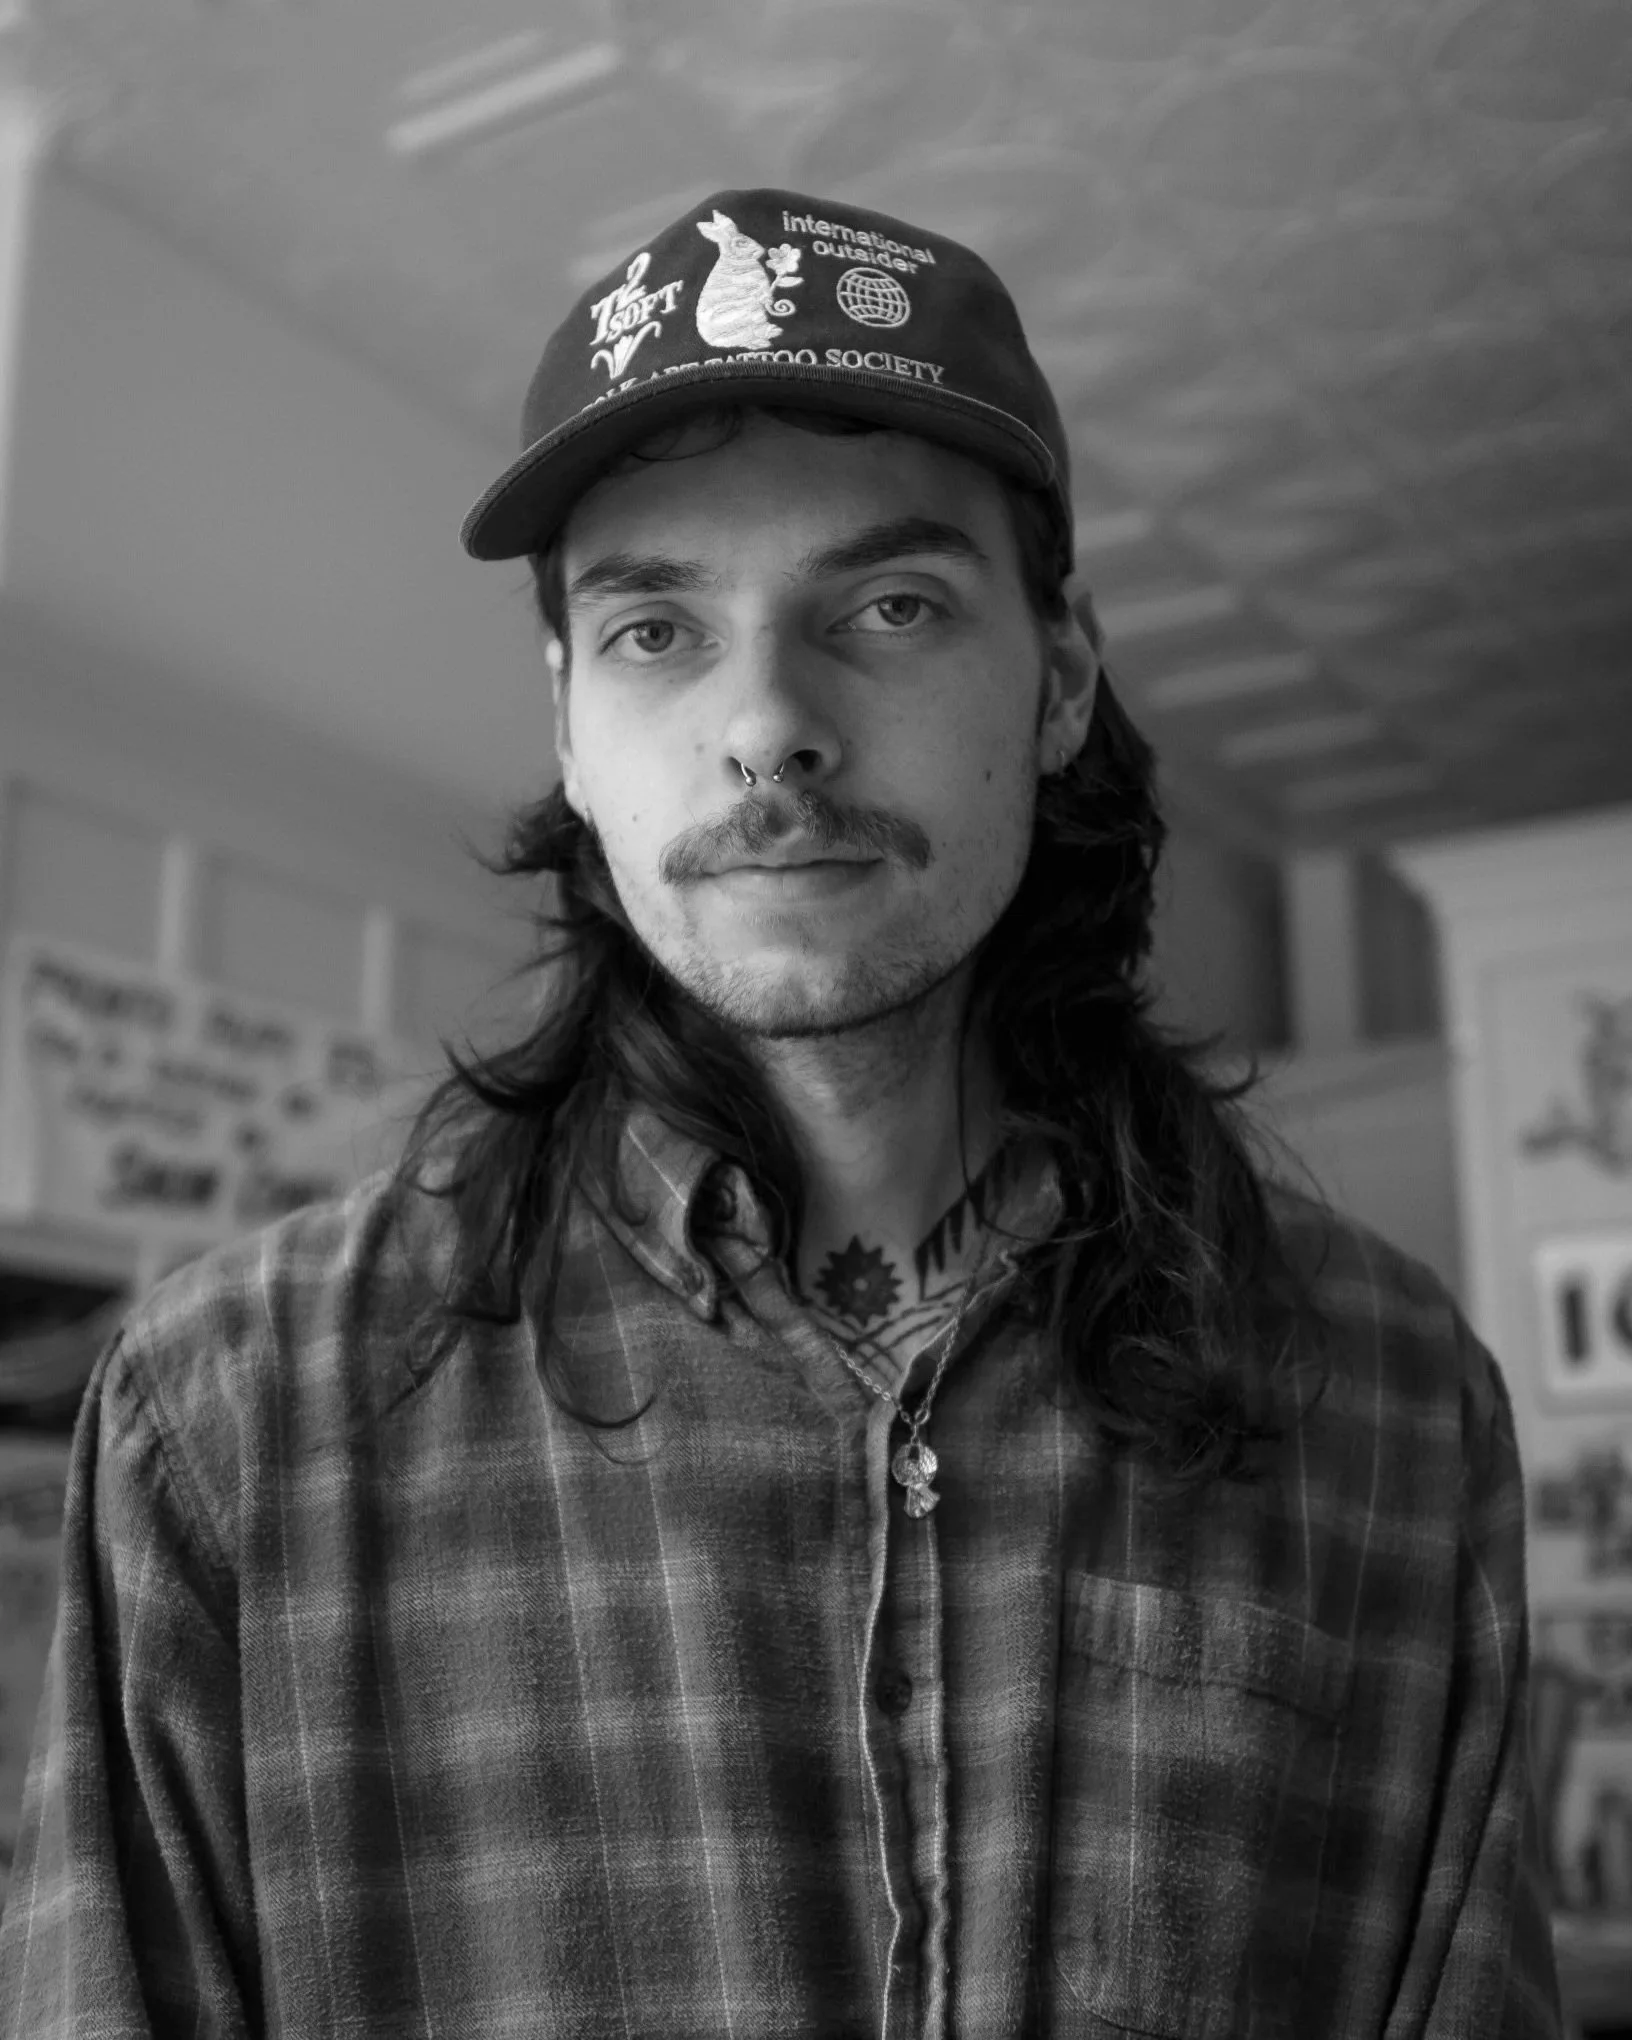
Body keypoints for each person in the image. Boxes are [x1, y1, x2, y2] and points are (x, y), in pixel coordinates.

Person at [0, 187, 1564, 2038]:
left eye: (890, 606)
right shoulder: (229, 1417)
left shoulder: (1378, 1390)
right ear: (572, 725)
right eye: (659, 630)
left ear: (1059, 678)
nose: (770, 726)